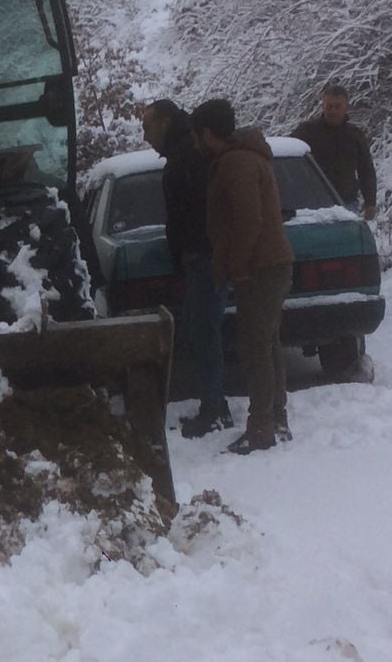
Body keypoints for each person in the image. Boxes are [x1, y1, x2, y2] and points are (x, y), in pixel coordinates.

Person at [194, 97, 293, 454]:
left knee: (255, 347)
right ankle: (275, 419)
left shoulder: (235, 162)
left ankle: (263, 427)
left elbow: (248, 219)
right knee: (267, 343)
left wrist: (237, 266)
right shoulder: (246, 157)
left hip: (260, 268)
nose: (196, 143)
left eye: (197, 135)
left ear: (207, 133)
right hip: (270, 263)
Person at [141, 99, 231, 437]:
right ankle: (213, 405)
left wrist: (195, 247)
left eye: (147, 127)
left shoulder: (190, 155)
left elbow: (202, 206)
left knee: (205, 331)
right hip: (198, 256)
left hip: (205, 257)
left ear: (165, 123)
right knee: (199, 329)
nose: (145, 136)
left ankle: (215, 409)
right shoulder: (185, 152)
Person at [292, 82, 378, 220]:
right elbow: (289, 161)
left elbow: (366, 170)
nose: (332, 111)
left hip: (347, 205)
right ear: (323, 106)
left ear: (346, 107)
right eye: (329, 106)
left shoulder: (355, 135)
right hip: (312, 208)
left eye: (337, 107)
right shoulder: (306, 132)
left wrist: (370, 203)